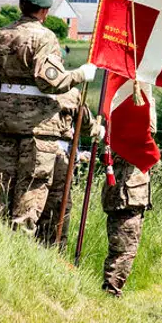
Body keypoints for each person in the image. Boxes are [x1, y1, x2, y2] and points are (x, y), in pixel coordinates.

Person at [0, 0, 96, 233]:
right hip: (38, 127)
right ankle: (20, 251)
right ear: (44, 11)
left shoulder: (0, 34)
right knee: (31, 190)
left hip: (5, 124)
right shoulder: (44, 37)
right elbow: (50, 80)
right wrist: (79, 75)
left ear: (22, 6)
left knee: (4, 191)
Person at [36, 86, 103, 248]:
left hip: (30, 150)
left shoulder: (31, 85)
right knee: (58, 204)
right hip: (57, 157)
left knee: (31, 198)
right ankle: (53, 248)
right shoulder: (71, 93)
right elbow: (86, 124)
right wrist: (98, 130)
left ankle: (32, 242)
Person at [102, 143, 153, 297]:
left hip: (125, 191)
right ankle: (111, 292)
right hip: (128, 194)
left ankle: (111, 289)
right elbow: (146, 134)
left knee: (123, 247)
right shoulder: (133, 126)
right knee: (124, 249)